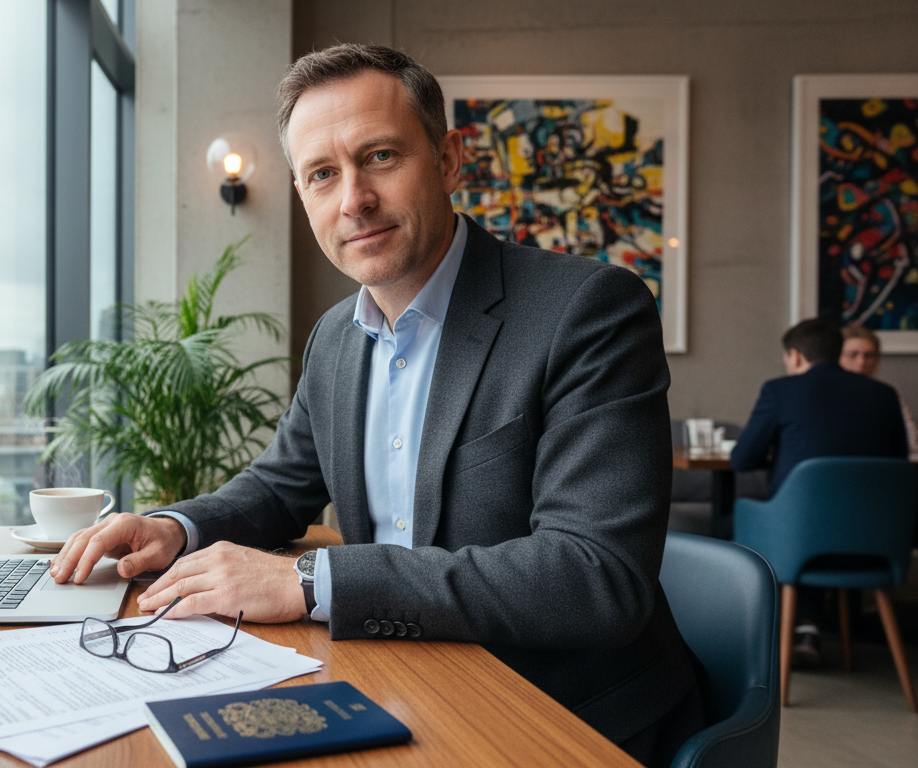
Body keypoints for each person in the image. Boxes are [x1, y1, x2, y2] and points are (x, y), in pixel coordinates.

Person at [51, 44, 701, 766]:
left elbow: (593, 577)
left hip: (557, 709)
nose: (352, 199)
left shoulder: (587, 310)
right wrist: (176, 526)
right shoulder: (336, 335)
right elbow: (280, 484)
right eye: (323, 175)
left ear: (451, 160)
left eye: (381, 157)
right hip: (404, 680)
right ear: (302, 195)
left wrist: (306, 581)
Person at [730, 318, 908, 665]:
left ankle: (759, 636)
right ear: (838, 352)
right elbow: (896, 460)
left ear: (795, 356)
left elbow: (742, 459)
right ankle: (808, 626)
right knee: (815, 522)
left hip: (798, 537)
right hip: (875, 539)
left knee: (731, 524)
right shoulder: (884, 395)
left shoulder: (780, 391)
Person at [839, 325, 918, 461]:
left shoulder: (886, 393)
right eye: (853, 355)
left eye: (869, 355)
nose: (861, 362)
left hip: (880, 468)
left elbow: (912, 443)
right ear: (837, 357)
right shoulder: (823, 393)